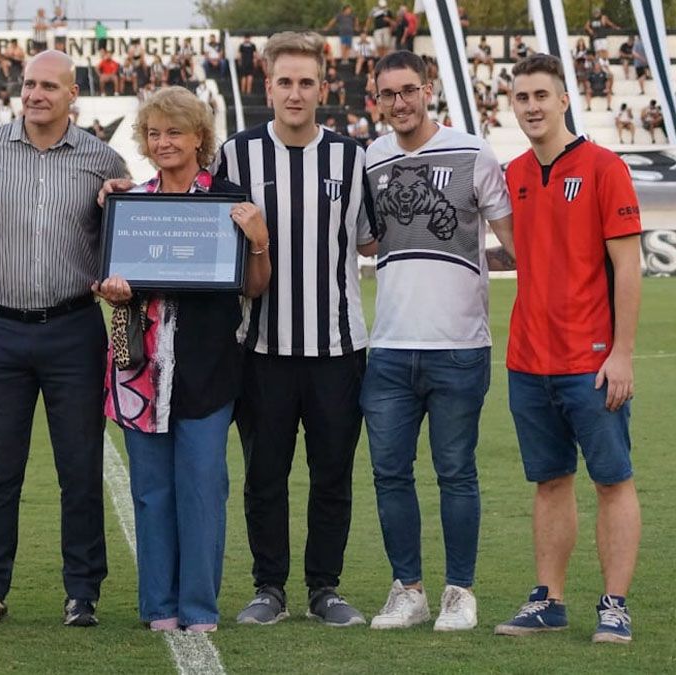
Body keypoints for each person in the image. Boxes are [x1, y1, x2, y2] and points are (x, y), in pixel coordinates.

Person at [0, 50, 127, 627]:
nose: (36, 94)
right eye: (29, 84)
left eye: (49, 86)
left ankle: (83, 592)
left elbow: (122, 239)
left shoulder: (102, 160)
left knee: (79, 469)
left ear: (72, 94)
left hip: (74, 329)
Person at [95, 87, 270, 634]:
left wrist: (259, 241)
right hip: (140, 370)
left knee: (202, 489)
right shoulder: (130, 201)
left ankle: (199, 608)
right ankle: (159, 607)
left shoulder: (228, 200)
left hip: (208, 370)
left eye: (175, 132)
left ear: (199, 137)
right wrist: (112, 288)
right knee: (150, 493)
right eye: (154, 133)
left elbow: (254, 287)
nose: (164, 142)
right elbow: (106, 275)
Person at [215, 31, 372, 628]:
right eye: (286, 81)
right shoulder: (235, 155)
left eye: (308, 81)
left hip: (337, 348)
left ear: (324, 88)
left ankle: (324, 587)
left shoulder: (352, 158)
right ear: (267, 86)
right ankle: (269, 587)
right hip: (262, 349)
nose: (296, 92)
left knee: (332, 474)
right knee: (265, 475)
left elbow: (368, 239)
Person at [360, 51, 514, 632]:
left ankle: (460, 591)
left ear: (428, 89)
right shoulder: (371, 157)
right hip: (391, 347)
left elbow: (513, 242)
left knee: (457, 472)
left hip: (460, 346)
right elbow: (368, 240)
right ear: (377, 99)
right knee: (389, 473)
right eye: (387, 94)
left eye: (408, 91)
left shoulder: (475, 152)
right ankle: (409, 590)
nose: (399, 103)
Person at [495, 54, 642, 644]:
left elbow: (628, 267)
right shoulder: (513, 174)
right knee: (550, 481)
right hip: (528, 361)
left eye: (540, 95)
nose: (531, 106)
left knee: (613, 480)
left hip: (593, 362)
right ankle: (549, 601)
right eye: (521, 97)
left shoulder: (606, 168)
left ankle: (614, 604)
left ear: (564, 100)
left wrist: (623, 353)